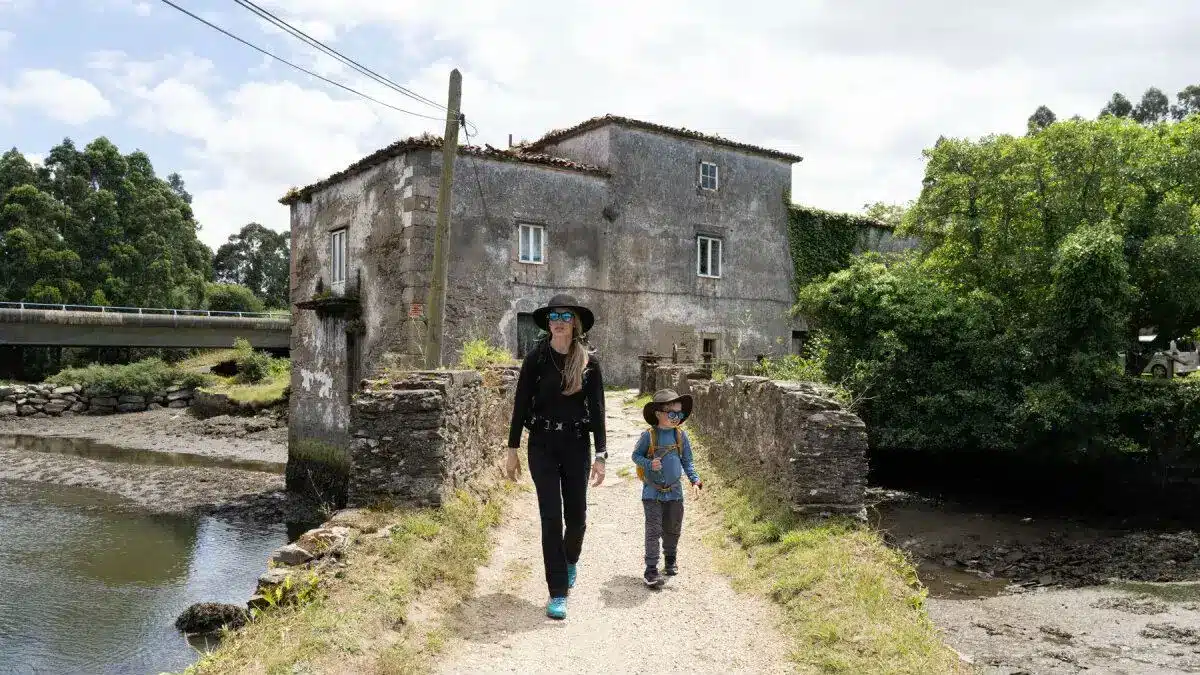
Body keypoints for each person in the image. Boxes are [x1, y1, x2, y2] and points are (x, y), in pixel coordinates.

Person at [505, 294, 606, 620]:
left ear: (574, 323)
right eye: (553, 316)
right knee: (551, 518)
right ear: (548, 323)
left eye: (565, 315)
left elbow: (599, 412)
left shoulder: (589, 362)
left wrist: (601, 455)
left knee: (576, 518)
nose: (559, 320)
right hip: (542, 446)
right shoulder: (535, 359)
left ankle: (570, 559)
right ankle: (558, 591)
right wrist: (512, 450)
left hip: (577, 445)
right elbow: (520, 405)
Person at [631, 388, 702, 588]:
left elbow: (687, 461)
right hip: (652, 492)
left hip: (675, 491)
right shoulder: (649, 436)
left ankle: (670, 559)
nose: (676, 418)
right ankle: (651, 569)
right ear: (658, 414)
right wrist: (648, 463)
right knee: (653, 530)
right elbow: (636, 456)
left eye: (679, 414)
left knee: (673, 528)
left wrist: (695, 480)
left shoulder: (681, 436)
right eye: (672, 414)